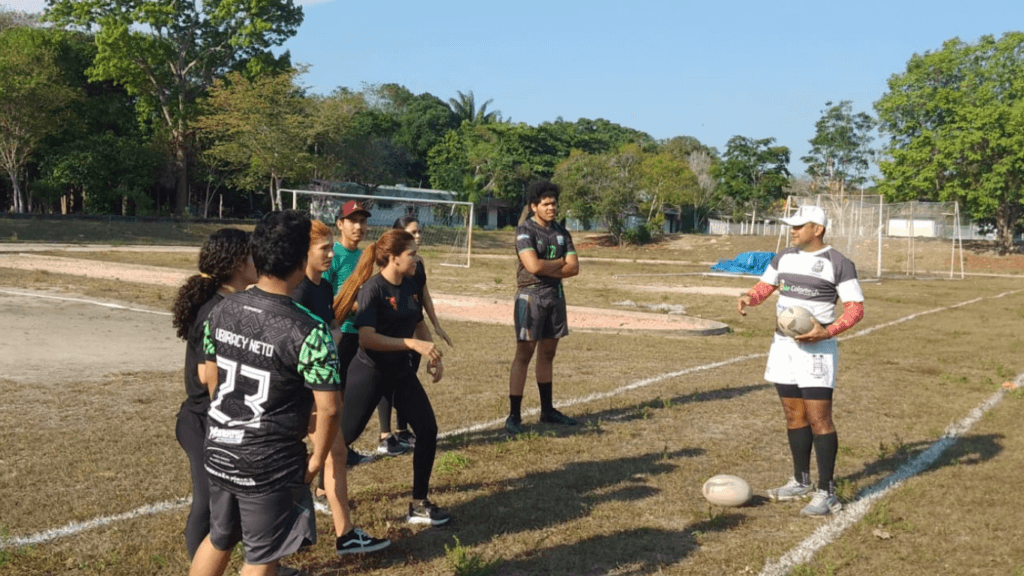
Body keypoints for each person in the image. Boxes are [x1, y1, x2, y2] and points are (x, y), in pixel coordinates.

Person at [189, 211, 342, 576]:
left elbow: (211, 377)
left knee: (219, 538)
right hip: (267, 463)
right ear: (300, 261)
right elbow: (330, 408)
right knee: (261, 557)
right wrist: (317, 460)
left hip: (220, 446)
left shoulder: (221, 309)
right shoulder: (310, 330)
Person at [736, 205, 865, 517]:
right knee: (794, 416)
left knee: (820, 419)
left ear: (817, 229)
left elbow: (855, 309)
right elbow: (765, 288)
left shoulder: (839, 263)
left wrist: (827, 332)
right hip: (783, 347)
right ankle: (800, 480)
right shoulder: (784, 257)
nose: (792, 231)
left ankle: (827, 492)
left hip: (817, 350)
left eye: (798, 226)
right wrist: (748, 298)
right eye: (791, 226)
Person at [333, 229, 450, 526]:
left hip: (400, 372)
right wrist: (410, 344)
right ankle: (309, 490)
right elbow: (368, 339)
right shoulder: (372, 289)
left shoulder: (411, 285)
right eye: (411, 253)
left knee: (427, 428)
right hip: (370, 373)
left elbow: (419, 323)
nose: (416, 257)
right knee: (342, 438)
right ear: (394, 258)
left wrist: (432, 355)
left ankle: (418, 503)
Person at [291, 219, 389, 555]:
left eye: (331, 247)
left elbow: (331, 325)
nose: (331, 254)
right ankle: (289, 530)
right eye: (323, 249)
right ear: (304, 251)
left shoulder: (319, 287)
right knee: (311, 458)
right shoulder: (299, 291)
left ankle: (343, 532)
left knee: (336, 453)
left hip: (321, 387)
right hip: (302, 392)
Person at [171, 228, 256, 559]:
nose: (257, 262)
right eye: (250, 256)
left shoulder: (230, 303)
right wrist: (230, 424)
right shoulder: (216, 310)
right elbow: (210, 375)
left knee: (239, 503)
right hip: (204, 422)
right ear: (236, 263)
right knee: (208, 503)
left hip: (215, 419)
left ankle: (264, 565)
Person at [505, 180, 580, 436]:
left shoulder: (561, 232)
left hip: (555, 297)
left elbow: (574, 268)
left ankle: (547, 410)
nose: (552, 208)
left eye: (554, 203)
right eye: (546, 204)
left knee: (548, 355)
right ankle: (514, 415)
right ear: (534, 206)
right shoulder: (525, 231)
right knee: (523, 356)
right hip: (530, 298)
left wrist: (548, 265)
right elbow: (532, 267)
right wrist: (558, 263)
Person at [374, 215, 453, 456]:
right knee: (388, 382)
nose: (418, 236)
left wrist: (435, 325)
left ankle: (402, 429)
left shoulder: (418, 263)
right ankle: (385, 435)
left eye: (419, 232)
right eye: (412, 233)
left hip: (414, 327)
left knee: (407, 378)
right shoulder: (389, 271)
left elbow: (424, 295)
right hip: (396, 332)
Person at [322, 200, 375, 467]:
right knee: (337, 394)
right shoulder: (334, 255)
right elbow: (325, 297)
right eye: (353, 221)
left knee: (351, 394)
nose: (359, 226)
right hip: (340, 333)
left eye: (363, 221)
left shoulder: (365, 256)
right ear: (340, 224)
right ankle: (333, 451)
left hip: (360, 332)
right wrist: (353, 306)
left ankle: (344, 446)